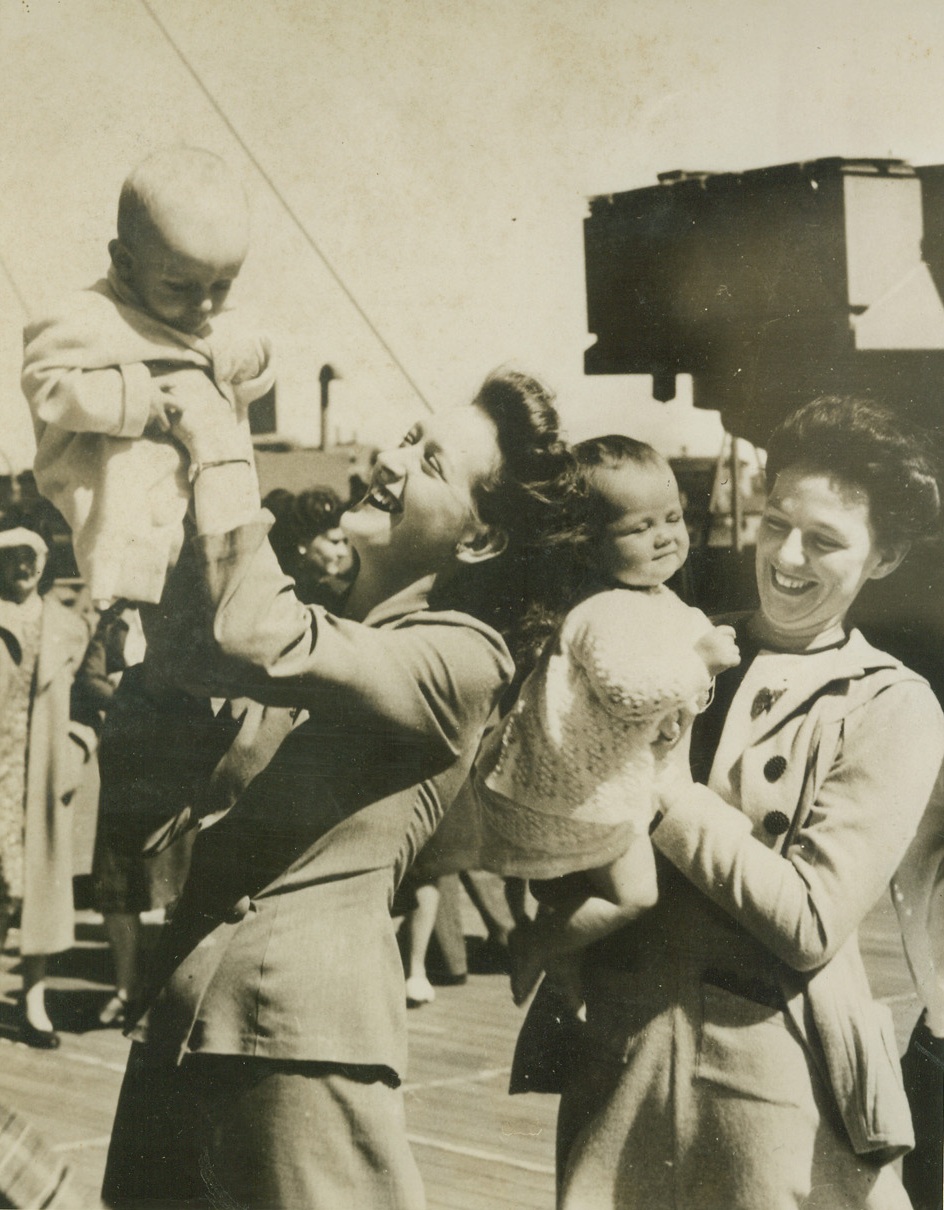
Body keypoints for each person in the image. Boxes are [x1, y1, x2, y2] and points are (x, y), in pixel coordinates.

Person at [101, 366, 581, 1209]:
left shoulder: (463, 658)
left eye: (431, 464)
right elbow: (150, 818)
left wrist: (221, 447)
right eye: (407, 438)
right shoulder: (319, 629)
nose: (391, 462)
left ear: (478, 540)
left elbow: (259, 633)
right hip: (182, 1026)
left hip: (302, 1048)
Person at [518, 396, 944, 1210]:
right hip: (623, 1048)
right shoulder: (675, 636)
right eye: (777, 522)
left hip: (773, 1079)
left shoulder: (893, 705)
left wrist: (662, 790)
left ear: (882, 560)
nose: (786, 556)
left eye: (825, 542)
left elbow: (812, 921)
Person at [474, 436, 740, 1005]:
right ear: (589, 546)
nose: (666, 535)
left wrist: (689, 689)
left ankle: (566, 974)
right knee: (635, 896)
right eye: (638, 528)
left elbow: (672, 695)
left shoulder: (663, 604)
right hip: (577, 794)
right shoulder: (604, 612)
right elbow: (627, 693)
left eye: (673, 517)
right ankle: (536, 945)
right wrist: (700, 662)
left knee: (583, 897)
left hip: (592, 789)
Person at [22, 146, 273, 610]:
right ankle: (124, 623)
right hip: (127, 512)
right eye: (179, 287)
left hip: (213, 502)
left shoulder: (221, 325)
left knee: (227, 597)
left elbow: (254, 375)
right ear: (124, 261)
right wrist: (133, 398)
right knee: (136, 597)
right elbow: (46, 383)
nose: (203, 306)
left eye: (221, 286)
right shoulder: (87, 318)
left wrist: (250, 362)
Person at [0, 519, 93, 1048]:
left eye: (33, 553)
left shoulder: (70, 626)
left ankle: (32, 999)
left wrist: (76, 748)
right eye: (13, 553)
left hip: (42, 778)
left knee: (37, 893)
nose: (25, 564)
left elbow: (95, 696)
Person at [263, 485, 355, 608]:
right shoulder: (284, 592)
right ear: (303, 543)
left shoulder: (333, 593)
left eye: (345, 542)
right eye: (334, 542)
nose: (343, 552)